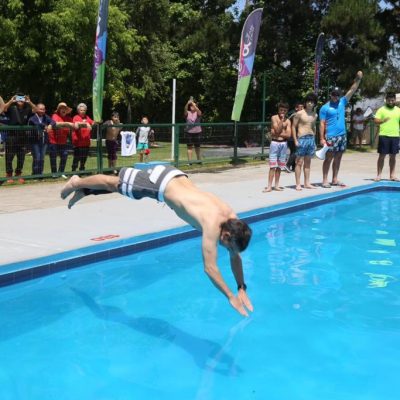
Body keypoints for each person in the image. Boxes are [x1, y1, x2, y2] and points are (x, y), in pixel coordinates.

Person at [60, 164, 253, 317]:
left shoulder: (232, 218)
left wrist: (241, 287)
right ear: (226, 236)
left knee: (127, 189)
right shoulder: (212, 225)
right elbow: (210, 268)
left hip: (176, 176)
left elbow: (234, 256)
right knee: (115, 183)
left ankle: (85, 191)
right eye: (227, 246)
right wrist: (230, 296)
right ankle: (77, 182)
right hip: (158, 183)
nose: (228, 250)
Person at [319, 71, 363, 188]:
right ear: (331, 94)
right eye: (334, 94)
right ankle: (324, 180)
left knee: (338, 157)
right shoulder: (325, 108)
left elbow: (352, 90)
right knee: (329, 158)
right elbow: (322, 124)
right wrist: (322, 138)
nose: (336, 97)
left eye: (338, 95)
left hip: (342, 136)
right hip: (331, 136)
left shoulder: (342, 102)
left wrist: (358, 79)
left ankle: (334, 179)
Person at [2, 94, 37, 183]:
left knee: (21, 156)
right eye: (18, 98)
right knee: (9, 156)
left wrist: (29, 102)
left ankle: (18, 173)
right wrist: (11, 100)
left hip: (22, 136)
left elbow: (36, 110)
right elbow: (3, 109)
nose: (20, 100)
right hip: (11, 135)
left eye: (22, 98)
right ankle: (9, 174)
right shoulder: (11, 108)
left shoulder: (27, 109)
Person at [292, 93, 318, 191]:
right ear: (305, 102)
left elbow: (314, 127)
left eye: (312, 102)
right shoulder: (299, 113)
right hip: (301, 138)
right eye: (308, 101)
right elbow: (293, 126)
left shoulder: (315, 115)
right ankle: (298, 184)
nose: (310, 104)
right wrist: (295, 140)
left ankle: (307, 183)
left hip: (311, 139)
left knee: (308, 162)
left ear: (314, 103)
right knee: (299, 162)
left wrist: (314, 142)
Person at [263, 102, 291, 192]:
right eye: (281, 110)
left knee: (279, 166)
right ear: (278, 109)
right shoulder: (274, 118)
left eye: (284, 110)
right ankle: (269, 186)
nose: (282, 112)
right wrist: (282, 121)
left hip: (283, 144)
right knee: (272, 166)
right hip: (275, 143)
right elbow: (278, 130)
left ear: (287, 111)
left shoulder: (288, 121)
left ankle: (276, 185)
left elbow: (288, 135)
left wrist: (276, 133)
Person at [373, 92, 400, 182]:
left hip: (395, 136)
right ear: (386, 100)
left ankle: (392, 175)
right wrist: (383, 120)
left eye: (392, 100)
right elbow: (376, 121)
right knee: (382, 156)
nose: (391, 102)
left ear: (395, 100)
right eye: (389, 100)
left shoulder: (398, 110)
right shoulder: (381, 109)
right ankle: (379, 175)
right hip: (384, 135)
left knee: (393, 157)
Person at [28, 103, 56, 176]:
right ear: (36, 109)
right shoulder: (32, 118)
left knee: (42, 157)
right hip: (35, 141)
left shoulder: (45, 117)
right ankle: (35, 173)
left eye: (43, 109)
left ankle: (40, 173)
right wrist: (45, 126)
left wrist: (50, 125)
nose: (42, 111)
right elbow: (36, 123)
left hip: (44, 141)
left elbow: (53, 122)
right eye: (40, 109)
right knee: (37, 157)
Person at [49, 102, 74, 176]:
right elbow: (55, 123)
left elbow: (73, 126)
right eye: (62, 108)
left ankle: (61, 172)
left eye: (65, 109)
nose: (63, 110)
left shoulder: (69, 118)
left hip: (63, 141)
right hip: (53, 140)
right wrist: (67, 124)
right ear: (59, 110)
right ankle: (54, 173)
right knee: (53, 156)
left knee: (65, 155)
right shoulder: (55, 115)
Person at [72, 103, 94, 172]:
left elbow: (93, 122)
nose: (83, 111)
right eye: (81, 110)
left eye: (84, 110)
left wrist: (95, 122)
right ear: (78, 111)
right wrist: (86, 123)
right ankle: (74, 170)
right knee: (76, 157)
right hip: (78, 143)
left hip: (86, 142)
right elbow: (76, 124)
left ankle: (82, 170)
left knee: (84, 158)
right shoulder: (76, 117)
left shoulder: (87, 117)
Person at [287, 101, 304, 172]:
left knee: (293, 151)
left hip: (293, 136)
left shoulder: (293, 114)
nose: (303, 109)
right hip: (293, 136)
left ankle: (293, 167)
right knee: (296, 151)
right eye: (301, 107)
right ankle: (287, 165)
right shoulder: (295, 115)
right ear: (296, 108)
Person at [184, 98, 202, 163]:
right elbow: (185, 109)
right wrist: (188, 103)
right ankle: (190, 162)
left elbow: (199, 111)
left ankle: (199, 160)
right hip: (189, 132)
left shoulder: (198, 112)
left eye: (193, 105)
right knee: (189, 147)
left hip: (197, 132)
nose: (192, 106)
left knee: (197, 147)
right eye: (191, 106)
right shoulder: (188, 113)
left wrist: (194, 104)